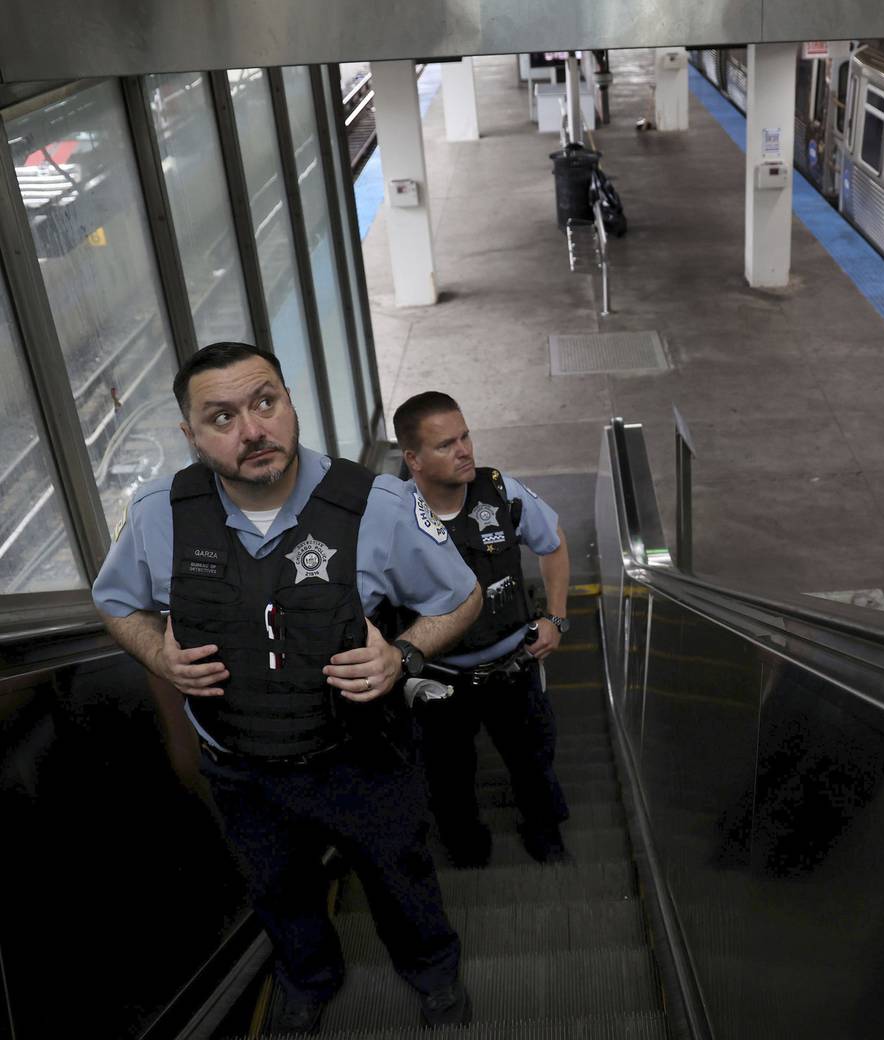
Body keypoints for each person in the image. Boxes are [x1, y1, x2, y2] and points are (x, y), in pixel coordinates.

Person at [92, 343, 484, 1033]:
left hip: (361, 759)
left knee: (400, 877)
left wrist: (401, 655)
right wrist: (160, 655)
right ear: (190, 435)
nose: (252, 431)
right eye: (221, 417)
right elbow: (117, 602)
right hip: (241, 770)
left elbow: (461, 598)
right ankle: (307, 979)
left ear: (289, 402)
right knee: (276, 889)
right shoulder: (160, 512)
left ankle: (433, 972)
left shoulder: (379, 505)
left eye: (264, 403)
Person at [392, 391, 571, 866]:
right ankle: (466, 846)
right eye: (446, 444)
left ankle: (545, 833)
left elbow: (553, 545)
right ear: (414, 459)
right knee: (447, 776)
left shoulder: (501, 491)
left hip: (514, 668)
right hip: (438, 682)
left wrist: (554, 617)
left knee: (533, 762)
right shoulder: (390, 519)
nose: (465, 450)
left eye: (465, 436)